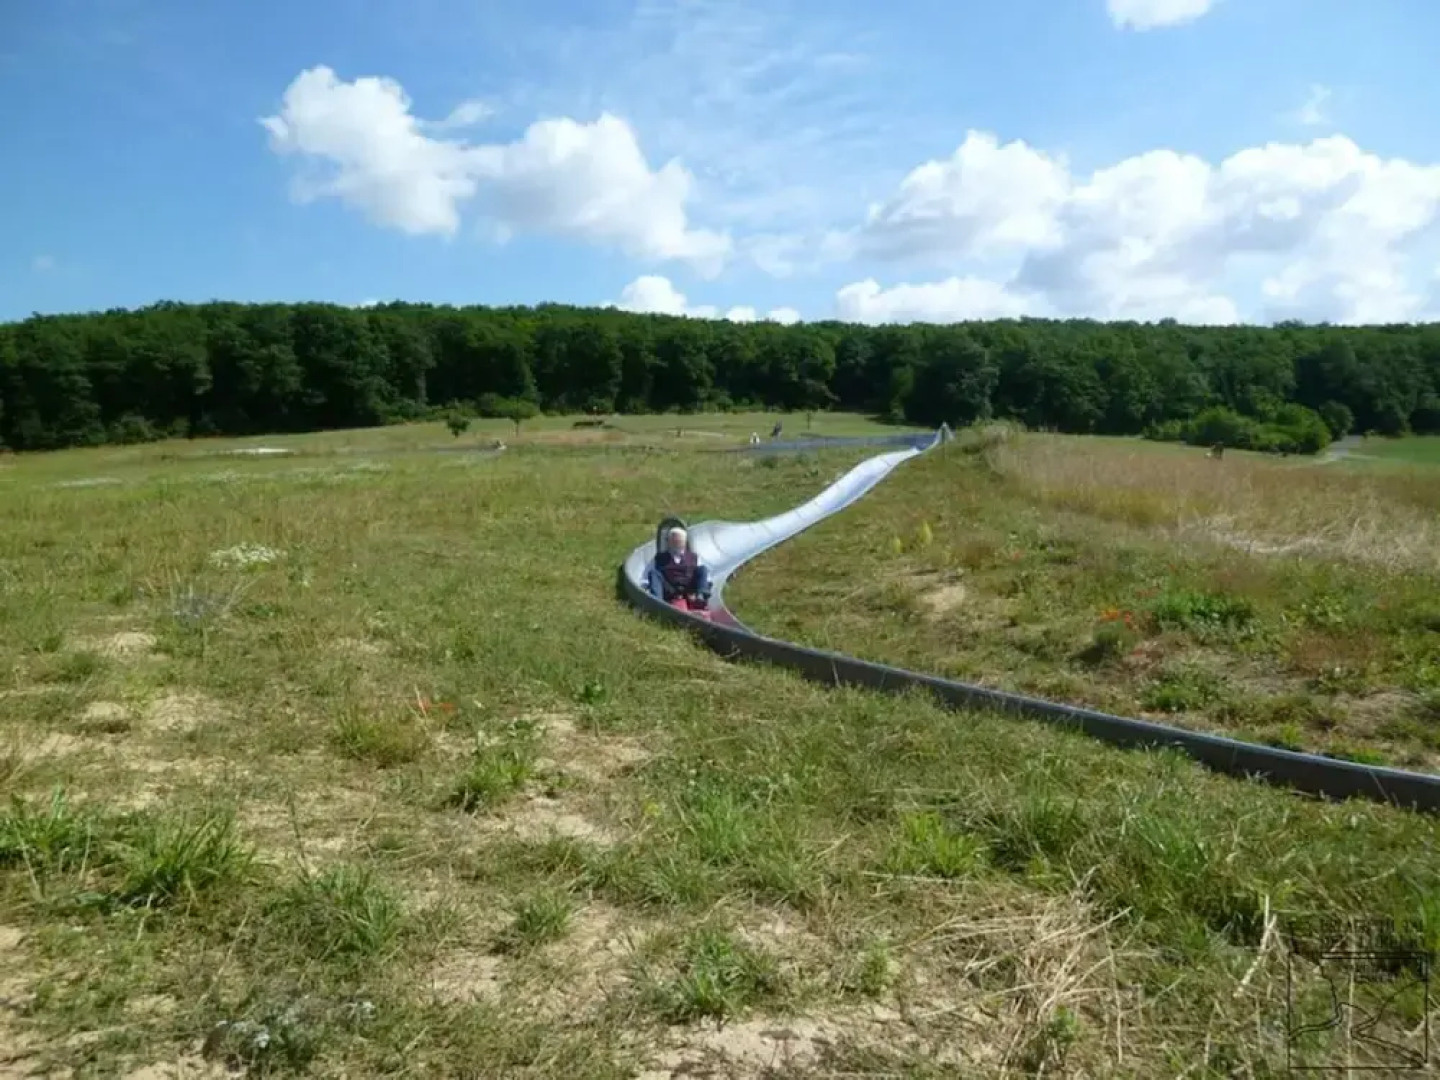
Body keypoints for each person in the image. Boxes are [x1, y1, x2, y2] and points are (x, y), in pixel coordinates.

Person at [647, 526, 712, 610]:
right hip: (669, 589)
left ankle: (701, 598)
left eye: (679, 541)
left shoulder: (693, 557)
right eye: (674, 541)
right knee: (654, 573)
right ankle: (658, 602)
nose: (676, 543)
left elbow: (706, 576)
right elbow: (648, 576)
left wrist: (703, 588)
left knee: (702, 569)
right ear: (669, 542)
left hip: (689, 588)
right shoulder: (660, 558)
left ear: (684, 542)